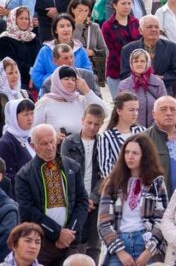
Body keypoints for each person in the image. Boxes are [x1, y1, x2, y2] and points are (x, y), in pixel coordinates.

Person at [16, 124, 89, 264]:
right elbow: (27, 211)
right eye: (44, 144)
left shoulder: (72, 166)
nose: (50, 147)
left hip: (70, 241)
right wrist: (57, 233)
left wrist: (70, 232)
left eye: (52, 141)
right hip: (42, 243)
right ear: (33, 146)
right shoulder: (24, 175)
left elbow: (82, 200)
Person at [96, 134, 169, 266]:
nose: (129, 156)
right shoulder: (112, 182)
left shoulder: (156, 183)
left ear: (145, 156)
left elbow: (162, 220)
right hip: (119, 243)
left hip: (146, 243)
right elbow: (103, 222)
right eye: (127, 152)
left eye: (135, 153)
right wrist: (120, 252)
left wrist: (148, 252)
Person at [59, 104, 104, 262]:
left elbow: (105, 174)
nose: (92, 127)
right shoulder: (69, 142)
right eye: (89, 122)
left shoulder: (103, 142)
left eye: (96, 124)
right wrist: (82, 200)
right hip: (75, 199)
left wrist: (93, 198)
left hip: (96, 200)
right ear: (82, 120)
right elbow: (66, 172)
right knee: (74, 242)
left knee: (94, 244)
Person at [34, 66, 106, 137]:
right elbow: (33, 130)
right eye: (66, 79)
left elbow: (103, 113)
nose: (70, 82)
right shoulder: (45, 103)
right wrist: (51, 137)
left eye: (73, 80)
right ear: (57, 81)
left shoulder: (81, 101)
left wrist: (87, 91)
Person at [120, 15, 176, 96]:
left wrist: (158, 80)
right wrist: (146, 78)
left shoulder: (170, 47)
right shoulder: (128, 49)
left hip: (163, 91)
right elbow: (125, 74)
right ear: (140, 30)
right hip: (137, 92)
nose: (154, 29)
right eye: (149, 27)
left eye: (156, 27)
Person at [0, 100, 34, 181]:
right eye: (25, 114)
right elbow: (8, 177)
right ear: (14, 118)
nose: (30, 118)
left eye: (32, 113)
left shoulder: (29, 137)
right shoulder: (5, 143)